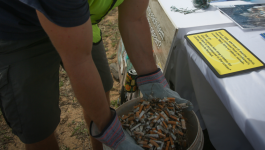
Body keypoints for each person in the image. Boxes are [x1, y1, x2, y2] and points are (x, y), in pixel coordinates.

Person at [0, 0, 193, 150]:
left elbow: (135, 18)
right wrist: (112, 132)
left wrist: (152, 79)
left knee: (101, 87)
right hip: (20, 30)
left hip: (78, 21)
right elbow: (78, 61)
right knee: (38, 126)